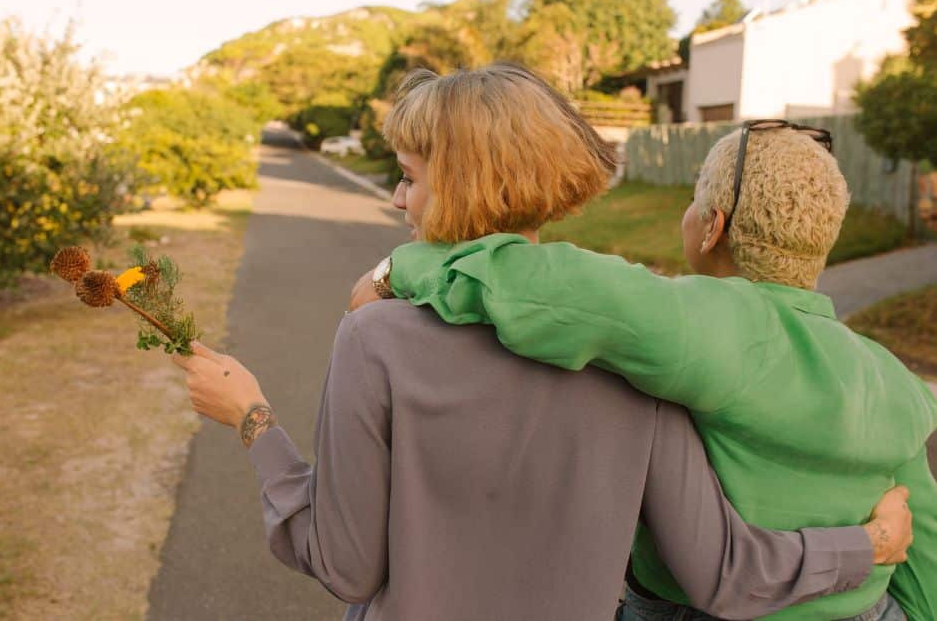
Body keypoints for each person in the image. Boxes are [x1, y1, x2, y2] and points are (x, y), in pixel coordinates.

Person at [173, 64, 915, 621]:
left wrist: (253, 420)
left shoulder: (376, 338)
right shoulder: (637, 355)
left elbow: (344, 564)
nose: (398, 198)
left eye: (407, 177)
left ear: (462, 185)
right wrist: (867, 548)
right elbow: (718, 567)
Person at [351, 107, 937, 617]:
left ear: (711, 229)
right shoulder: (895, 380)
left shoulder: (706, 323)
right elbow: (924, 551)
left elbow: (540, 285)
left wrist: (396, 271)